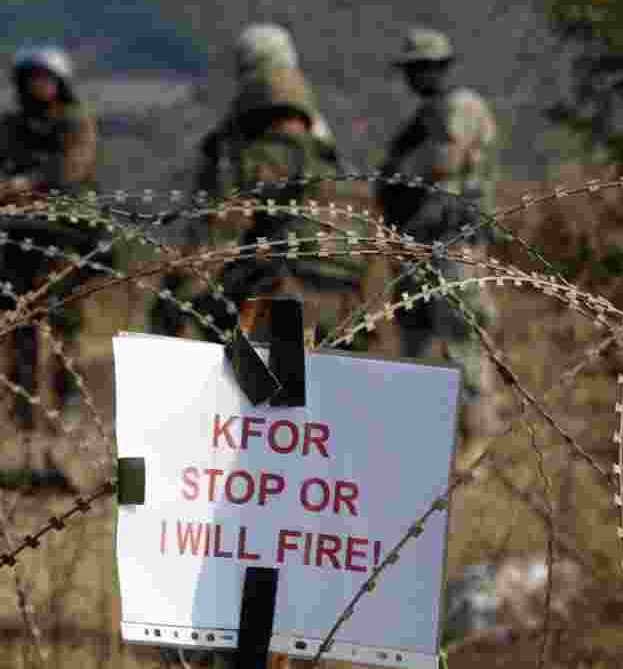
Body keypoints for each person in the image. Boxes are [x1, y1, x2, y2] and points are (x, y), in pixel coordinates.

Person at [149, 23, 349, 338]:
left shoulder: (241, 148)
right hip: (335, 288)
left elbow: (220, 230)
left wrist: (178, 293)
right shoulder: (320, 137)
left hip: (265, 283)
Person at [181, 66, 369, 348]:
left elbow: (221, 237)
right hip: (349, 308)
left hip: (283, 298)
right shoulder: (340, 166)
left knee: (189, 309)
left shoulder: (257, 158)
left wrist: (185, 289)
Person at [376, 27, 502, 441]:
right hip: (418, 245)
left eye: (422, 68)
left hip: (453, 244)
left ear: (440, 68)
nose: (414, 77)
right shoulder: (422, 120)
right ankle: (419, 442)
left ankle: (477, 445)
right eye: (412, 69)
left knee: (462, 345)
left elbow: (444, 162)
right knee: (415, 344)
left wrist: (401, 173)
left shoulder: (460, 108)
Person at [0, 44, 102, 436]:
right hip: (20, 238)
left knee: (65, 327)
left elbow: (73, 167)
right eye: (30, 79)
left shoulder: (74, 122)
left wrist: (30, 184)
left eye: (44, 79)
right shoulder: (11, 127)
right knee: (20, 324)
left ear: (60, 82)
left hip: (64, 237)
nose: (37, 86)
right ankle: (23, 413)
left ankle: (70, 407)